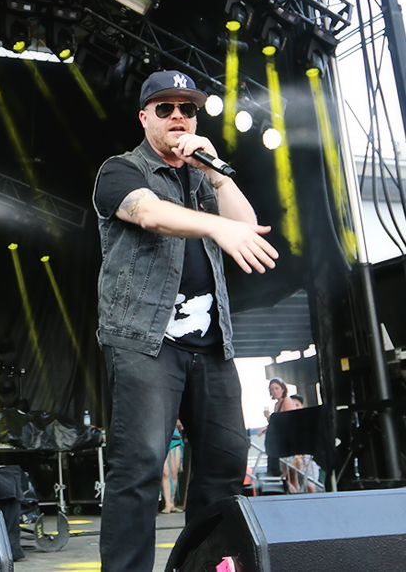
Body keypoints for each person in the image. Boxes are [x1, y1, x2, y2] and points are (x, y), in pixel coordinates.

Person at [92, 70, 279, 572]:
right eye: (165, 108)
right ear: (143, 117)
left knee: (225, 462)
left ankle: (201, 568)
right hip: (145, 341)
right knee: (140, 467)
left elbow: (245, 226)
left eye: (187, 109)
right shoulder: (120, 170)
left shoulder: (203, 179)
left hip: (212, 344)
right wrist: (216, 225)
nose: (179, 116)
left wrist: (216, 172)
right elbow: (150, 215)